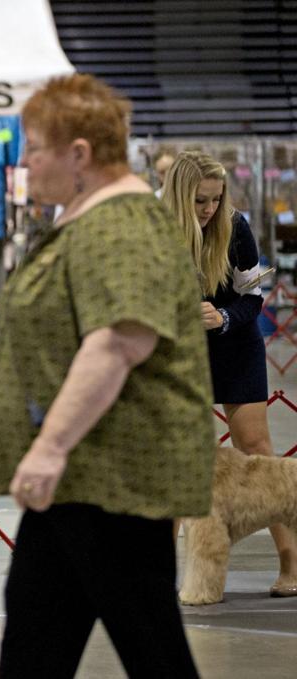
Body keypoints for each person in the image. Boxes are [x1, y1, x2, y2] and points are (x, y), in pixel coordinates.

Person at [0, 74, 213, 677]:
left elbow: (119, 341)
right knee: (37, 636)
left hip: (114, 476)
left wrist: (49, 448)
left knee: (150, 645)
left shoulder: (121, 224)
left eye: (34, 149)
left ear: (79, 154)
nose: (26, 164)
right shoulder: (87, 219)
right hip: (83, 480)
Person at [161, 150, 297, 596]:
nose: (210, 210)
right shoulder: (152, 228)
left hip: (235, 346)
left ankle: (291, 566)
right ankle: (158, 577)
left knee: (257, 448)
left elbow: (253, 298)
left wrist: (223, 317)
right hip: (181, 355)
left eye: (216, 200)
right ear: (180, 195)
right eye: (201, 200)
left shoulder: (235, 227)